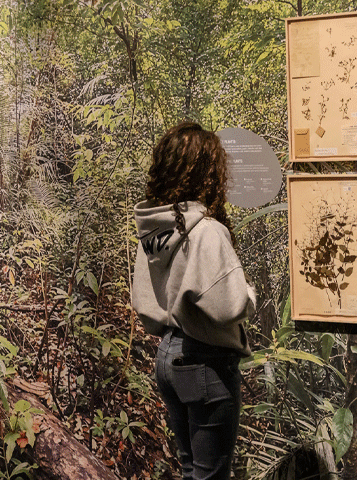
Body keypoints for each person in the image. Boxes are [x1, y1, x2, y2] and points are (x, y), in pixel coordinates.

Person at [131, 121, 254, 480]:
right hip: (205, 361)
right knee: (210, 475)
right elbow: (230, 306)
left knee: (191, 469)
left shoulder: (155, 230)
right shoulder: (206, 231)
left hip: (169, 356)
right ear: (208, 174)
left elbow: (146, 297)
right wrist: (249, 293)